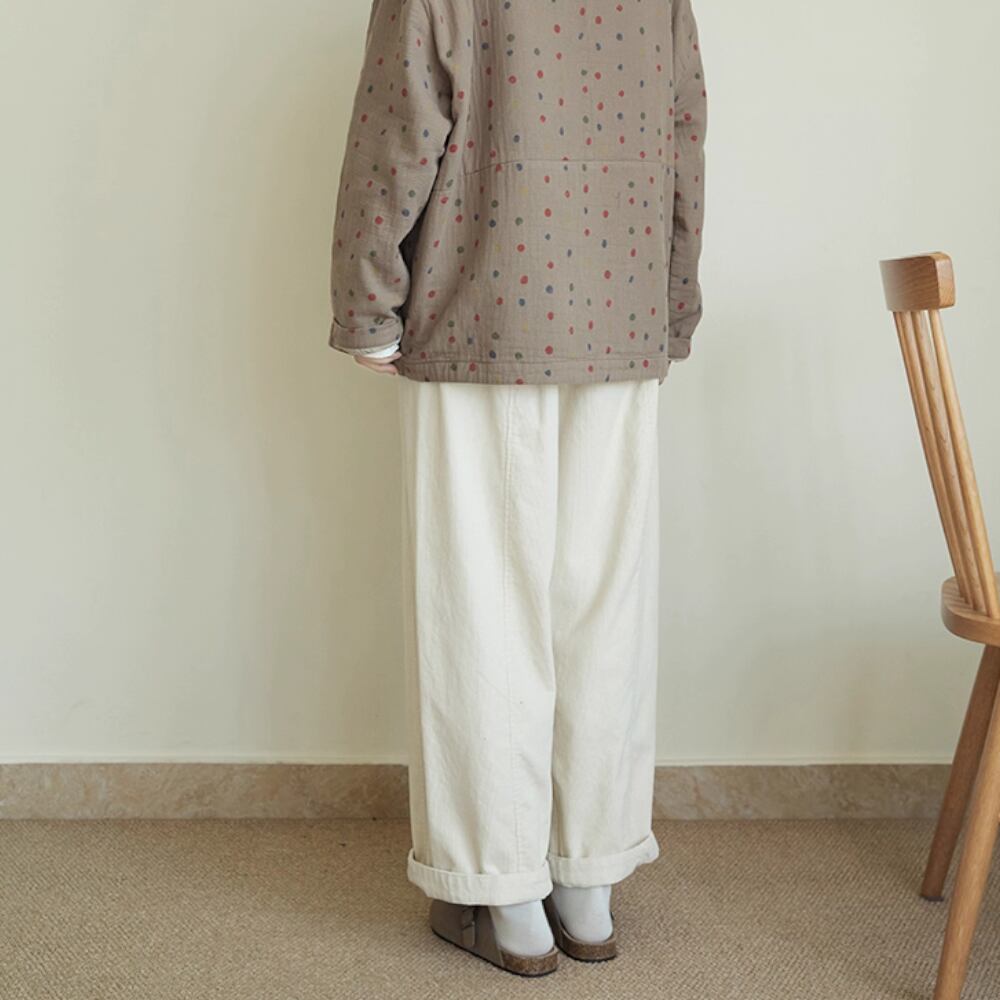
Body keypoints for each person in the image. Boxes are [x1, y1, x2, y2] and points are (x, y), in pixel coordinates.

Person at [328, 0, 706, 977]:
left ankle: (503, 897)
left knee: (483, 610)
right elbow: (682, 141)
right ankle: (588, 885)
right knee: (603, 610)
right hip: (620, 319)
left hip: (480, 317)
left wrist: (368, 305)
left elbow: (395, 132)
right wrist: (671, 305)